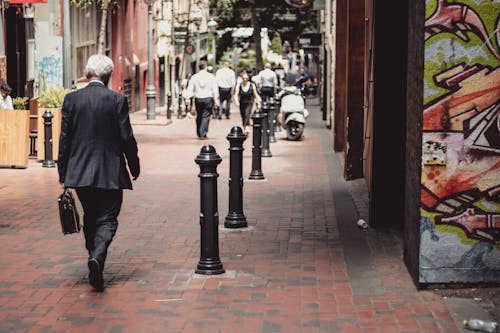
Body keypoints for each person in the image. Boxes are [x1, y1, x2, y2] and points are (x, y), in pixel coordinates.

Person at [57, 54, 140, 292]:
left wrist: (63, 172)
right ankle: (98, 255)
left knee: (91, 215)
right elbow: (126, 137)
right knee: (108, 219)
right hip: (110, 171)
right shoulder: (116, 100)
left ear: (87, 74)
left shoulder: (71, 100)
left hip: (80, 172)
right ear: (108, 75)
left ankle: (95, 258)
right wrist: (134, 165)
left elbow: (65, 140)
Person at [185, 60, 219, 139]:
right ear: (206, 67)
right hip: (208, 98)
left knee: (199, 115)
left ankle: (199, 132)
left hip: (198, 99)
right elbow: (215, 89)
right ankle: (203, 133)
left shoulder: (194, 77)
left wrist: (187, 98)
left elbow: (190, 88)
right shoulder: (211, 77)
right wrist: (216, 101)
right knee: (206, 116)